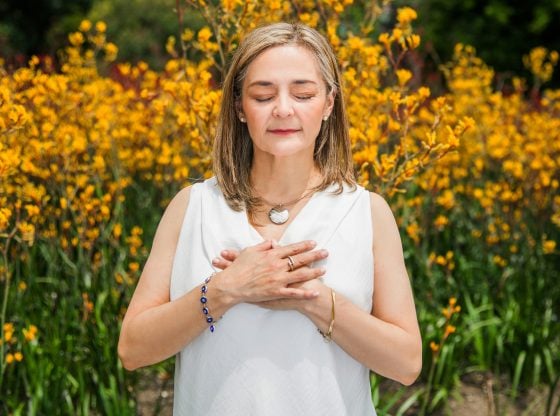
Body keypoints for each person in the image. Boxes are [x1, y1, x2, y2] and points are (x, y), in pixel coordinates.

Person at [118, 22, 422, 415]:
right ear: (238, 108)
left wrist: (314, 300)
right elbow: (132, 349)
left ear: (329, 103)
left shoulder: (367, 211)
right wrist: (226, 290)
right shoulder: (192, 206)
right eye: (263, 95)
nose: (283, 109)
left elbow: (406, 364)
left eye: (303, 93)